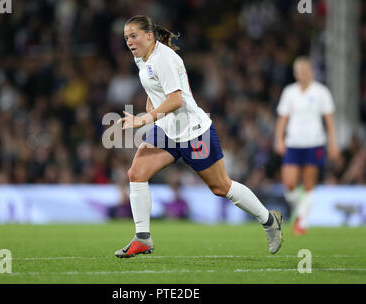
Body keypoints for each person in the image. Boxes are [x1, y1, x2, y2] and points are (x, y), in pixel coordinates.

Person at [114, 15, 283, 258]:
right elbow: (154, 91)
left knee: (221, 186)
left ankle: (269, 220)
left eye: (134, 36)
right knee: (136, 173)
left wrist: (143, 119)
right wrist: (152, 114)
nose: (129, 41)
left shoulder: (165, 59)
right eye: (126, 37)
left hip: (193, 131)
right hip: (168, 129)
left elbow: (176, 99)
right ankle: (142, 238)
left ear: (149, 36)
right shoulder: (141, 57)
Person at [274, 57, 340, 235]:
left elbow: (329, 121)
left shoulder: (321, 92)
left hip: (314, 142)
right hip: (293, 142)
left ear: (311, 72)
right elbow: (282, 118)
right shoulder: (289, 92)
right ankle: (301, 214)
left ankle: (301, 222)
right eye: (300, 71)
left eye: (306, 71)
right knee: (289, 184)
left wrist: (333, 143)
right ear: (295, 74)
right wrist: (279, 139)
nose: (303, 74)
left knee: (309, 184)